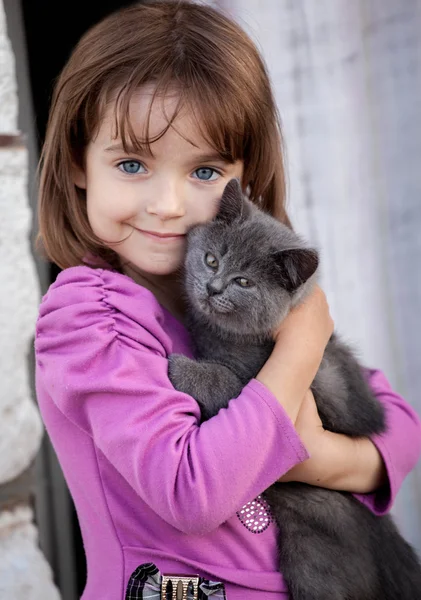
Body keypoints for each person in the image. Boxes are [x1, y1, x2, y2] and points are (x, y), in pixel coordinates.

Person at [35, 2, 421, 599]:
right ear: (78, 165)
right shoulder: (89, 316)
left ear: (247, 176)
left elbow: (401, 427)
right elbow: (192, 490)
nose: (168, 204)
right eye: (132, 163)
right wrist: (300, 343)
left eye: (205, 171)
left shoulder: (237, 298)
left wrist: (319, 458)